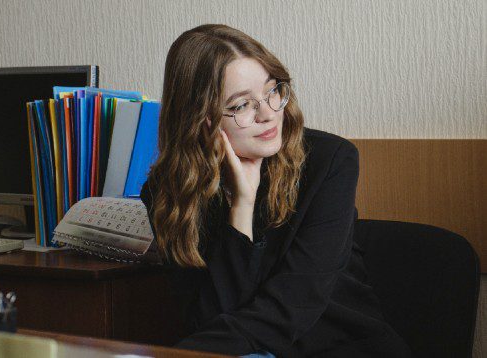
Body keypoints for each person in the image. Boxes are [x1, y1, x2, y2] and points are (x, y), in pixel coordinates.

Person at [140, 24, 414, 358]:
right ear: (201, 119)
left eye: (273, 91)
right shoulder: (167, 192)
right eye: (242, 105)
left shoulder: (329, 162)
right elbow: (208, 319)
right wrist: (241, 207)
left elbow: (291, 309)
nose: (269, 114)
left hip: (342, 347)